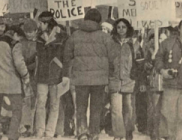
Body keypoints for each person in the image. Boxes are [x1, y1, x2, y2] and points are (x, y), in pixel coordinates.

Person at [64, 9, 113, 140]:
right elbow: (113, 58)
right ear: (99, 21)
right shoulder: (105, 37)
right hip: (100, 79)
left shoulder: (75, 36)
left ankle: (82, 132)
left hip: (80, 79)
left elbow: (67, 56)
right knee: (96, 108)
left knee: (81, 107)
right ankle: (94, 132)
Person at [0, 26, 30, 140]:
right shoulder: (14, 44)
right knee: (17, 109)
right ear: (15, 34)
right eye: (20, 38)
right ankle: (12, 135)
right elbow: (19, 63)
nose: (20, 40)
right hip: (11, 81)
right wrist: (26, 75)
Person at [35, 11, 68, 139]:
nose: (39, 26)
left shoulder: (62, 36)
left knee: (55, 104)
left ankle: (49, 132)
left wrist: (64, 73)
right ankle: (39, 131)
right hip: (42, 74)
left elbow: (65, 56)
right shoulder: (38, 37)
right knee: (41, 103)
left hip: (56, 74)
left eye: (41, 23)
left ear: (46, 23)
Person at [109, 18, 143, 140]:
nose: (121, 29)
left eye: (123, 27)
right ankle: (118, 135)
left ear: (128, 28)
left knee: (129, 108)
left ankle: (128, 133)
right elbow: (107, 60)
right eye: (119, 27)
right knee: (116, 109)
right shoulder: (110, 42)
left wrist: (137, 77)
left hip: (129, 80)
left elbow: (140, 62)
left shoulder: (134, 43)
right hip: (114, 80)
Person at [20, 19, 38, 136]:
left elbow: (39, 60)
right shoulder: (22, 43)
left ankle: (33, 126)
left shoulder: (39, 43)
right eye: (26, 31)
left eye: (31, 31)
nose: (28, 34)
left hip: (35, 75)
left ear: (36, 31)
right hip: (24, 75)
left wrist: (32, 65)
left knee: (35, 101)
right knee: (26, 100)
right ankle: (26, 126)